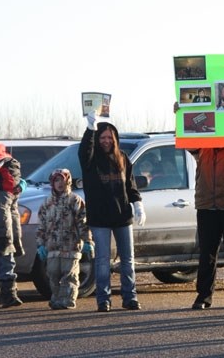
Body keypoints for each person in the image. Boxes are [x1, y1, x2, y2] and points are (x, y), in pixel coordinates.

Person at [174, 93, 224, 310]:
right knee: (206, 253)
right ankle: (203, 297)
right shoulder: (203, 142)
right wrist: (181, 115)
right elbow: (186, 140)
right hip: (207, 203)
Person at [78, 112, 146, 312]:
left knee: (128, 259)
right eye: (103, 137)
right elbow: (84, 151)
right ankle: (103, 299)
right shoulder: (91, 159)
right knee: (102, 261)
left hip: (123, 216)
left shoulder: (122, 158)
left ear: (115, 139)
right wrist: (91, 129)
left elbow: (131, 186)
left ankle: (130, 297)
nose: (106, 141)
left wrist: (138, 204)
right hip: (100, 218)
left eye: (110, 137)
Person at [36, 168, 93, 309]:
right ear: (52, 183)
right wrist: (40, 244)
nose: (59, 183)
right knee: (53, 274)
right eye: (56, 180)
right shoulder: (47, 203)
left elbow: (83, 222)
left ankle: (68, 299)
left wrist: (87, 241)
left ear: (68, 180)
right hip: (52, 247)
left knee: (70, 275)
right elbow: (41, 226)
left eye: (62, 179)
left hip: (71, 246)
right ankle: (56, 298)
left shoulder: (75, 200)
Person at [0, 143, 26, 308]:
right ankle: (9, 295)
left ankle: (9, 295)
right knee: (7, 260)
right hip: (7, 227)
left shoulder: (2, 165)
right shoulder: (7, 161)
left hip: (2, 226)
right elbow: (20, 185)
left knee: (6, 259)